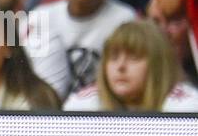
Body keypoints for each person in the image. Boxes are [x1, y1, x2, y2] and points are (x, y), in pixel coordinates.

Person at [62, 19, 198, 112]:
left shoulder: (187, 107)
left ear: (158, 65)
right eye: (113, 58)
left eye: (134, 58)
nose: (120, 67)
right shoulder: (82, 106)